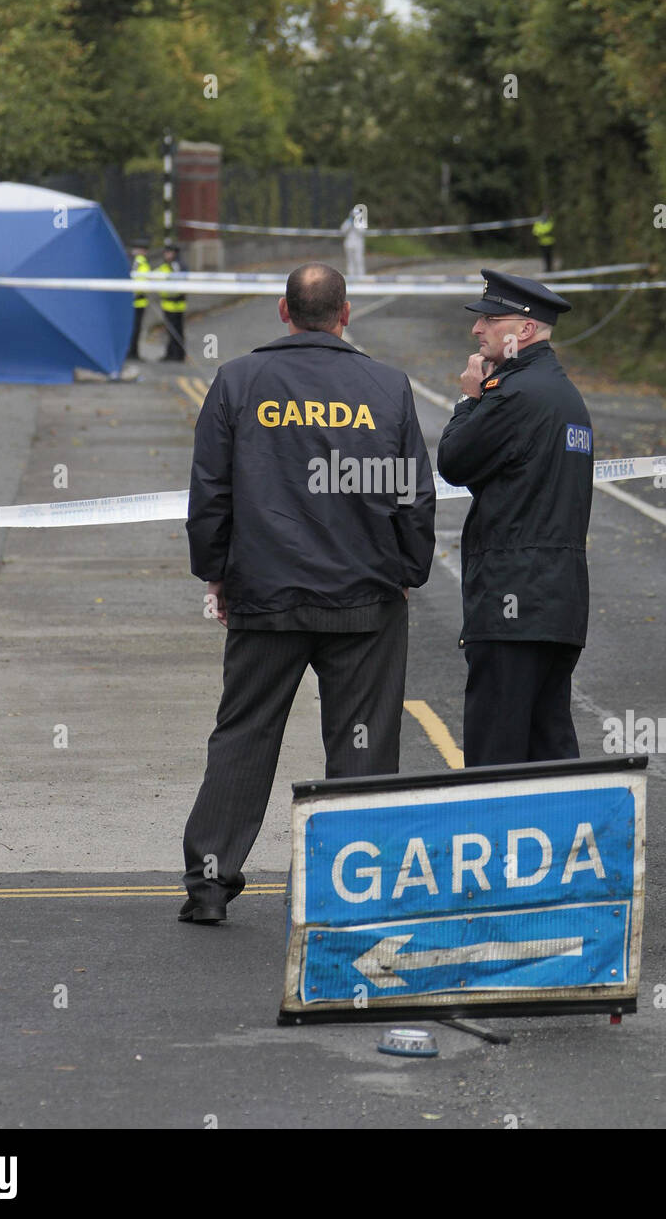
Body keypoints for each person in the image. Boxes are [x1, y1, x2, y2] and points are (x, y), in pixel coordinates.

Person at [179, 262, 436, 924]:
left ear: (282, 311)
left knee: (244, 735)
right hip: (365, 595)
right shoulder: (385, 385)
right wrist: (409, 571)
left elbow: (210, 492)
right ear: (344, 314)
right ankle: (349, 891)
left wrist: (216, 572)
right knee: (361, 744)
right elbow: (413, 494)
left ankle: (209, 886)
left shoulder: (238, 381)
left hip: (266, 591)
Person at [437, 268, 593, 767]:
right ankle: (561, 845)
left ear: (523, 330)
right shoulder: (562, 393)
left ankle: (500, 845)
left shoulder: (514, 394)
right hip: (556, 599)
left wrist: (468, 399)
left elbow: (454, 461)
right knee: (548, 748)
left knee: (496, 753)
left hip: (513, 602)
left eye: (489, 319)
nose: (477, 330)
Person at [156, 241, 187, 362]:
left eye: (168, 252)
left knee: (174, 331)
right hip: (171, 303)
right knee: (173, 330)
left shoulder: (175, 266)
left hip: (174, 304)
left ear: (174, 253)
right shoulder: (175, 264)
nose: (166, 255)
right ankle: (173, 354)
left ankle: (176, 355)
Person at [127, 239, 151, 361]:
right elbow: (140, 281)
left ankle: (132, 352)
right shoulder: (140, 262)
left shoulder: (131, 260)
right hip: (137, 301)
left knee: (132, 328)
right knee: (135, 329)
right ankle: (133, 353)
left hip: (133, 301)